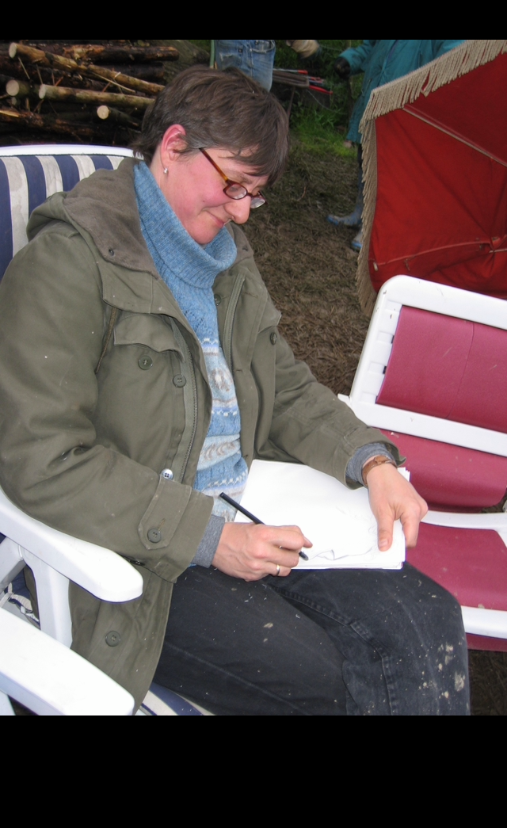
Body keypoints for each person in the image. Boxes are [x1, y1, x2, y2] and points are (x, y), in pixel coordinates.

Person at [0, 66, 469, 715]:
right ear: (173, 146)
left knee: (429, 618)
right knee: (327, 673)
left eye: (255, 194)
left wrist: (371, 459)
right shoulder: (67, 263)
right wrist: (206, 535)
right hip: (143, 550)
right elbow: (42, 458)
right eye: (233, 185)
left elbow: (281, 382)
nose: (242, 211)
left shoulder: (225, 258)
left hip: (252, 510)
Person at [328, 40, 465, 251]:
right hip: (374, 99)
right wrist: (350, 60)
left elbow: (452, 59)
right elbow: (370, 47)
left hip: (406, 108)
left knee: (390, 169)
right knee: (365, 159)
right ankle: (360, 213)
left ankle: (375, 227)